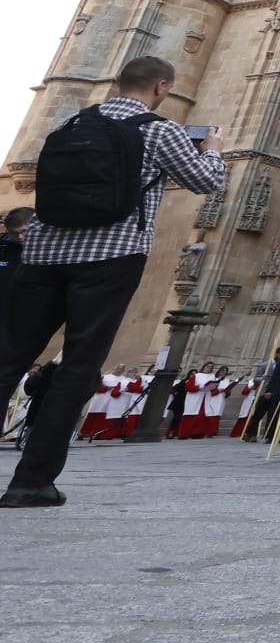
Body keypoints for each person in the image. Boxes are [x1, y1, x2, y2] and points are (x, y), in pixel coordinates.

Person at [0, 55, 225, 508]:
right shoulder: (159, 130)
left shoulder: (68, 124)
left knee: (8, 359)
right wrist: (214, 147)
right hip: (109, 256)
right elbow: (207, 181)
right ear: (162, 88)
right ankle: (31, 481)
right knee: (78, 367)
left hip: (43, 255)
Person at [242, 346, 280, 444]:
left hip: (277, 394)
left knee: (273, 415)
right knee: (258, 414)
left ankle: (270, 436)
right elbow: (256, 378)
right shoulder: (266, 365)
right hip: (264, 392)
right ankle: (251, 433)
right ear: (277, 354)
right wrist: (262, 378)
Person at [0, 207, 30, 316]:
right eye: (14, 233)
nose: (20, 237)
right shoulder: (3, 248)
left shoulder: (47, 250)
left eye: (24, 231)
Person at [176, 362, 217, 439]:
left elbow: (213, 388)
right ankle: (184, 434)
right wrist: (199, 388)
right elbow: (188, 387)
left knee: (202, 416)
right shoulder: (197, 376)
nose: (209, 368)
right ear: (204, 366)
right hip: (195, 398)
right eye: (208, 366)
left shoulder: (212, 376)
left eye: (211, 367)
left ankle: (197, 433)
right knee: (191, 415)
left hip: (205, 398)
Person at [202, 367, 233, 436]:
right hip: (210, 397)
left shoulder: (227, 380)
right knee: (209, 414)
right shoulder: (214, 379)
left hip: (220, 399)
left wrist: (228, 391)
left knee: (216, 415)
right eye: (222, 370)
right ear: (219, 371)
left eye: (225, 371)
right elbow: (210, 388)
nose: (224, 372)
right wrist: (218, 390)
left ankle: (212, 432)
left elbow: (228, 391)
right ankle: (206, 431)